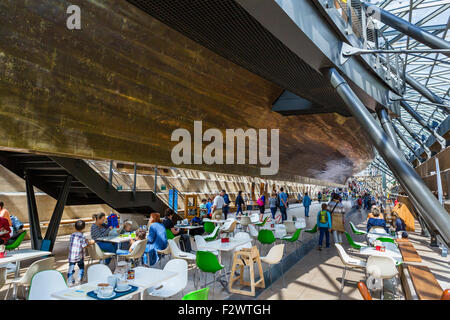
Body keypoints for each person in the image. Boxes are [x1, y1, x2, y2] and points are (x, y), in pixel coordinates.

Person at [68, 220, 95, 286]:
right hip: (79, 256)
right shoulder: (82, 236)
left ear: (75, 227)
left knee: (71, 268)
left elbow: (77, 242)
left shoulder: (72, 235)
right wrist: (90, 242)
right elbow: (84, 245)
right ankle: (79, 279)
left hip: (72, 255)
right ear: (84, 227)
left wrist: (85, 241)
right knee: (81, 267)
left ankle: (70, 281)